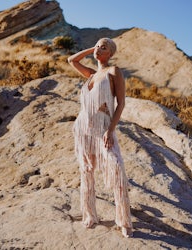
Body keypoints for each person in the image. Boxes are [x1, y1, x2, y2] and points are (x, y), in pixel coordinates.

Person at [68, 38, 133, 238]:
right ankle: (89, 214)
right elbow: (72, 60)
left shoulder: (114, 71)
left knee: (117, 168)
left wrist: (110, 130)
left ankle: (124, 221)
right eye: (97, 46)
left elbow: (121, 103)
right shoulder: (92, 74)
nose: (98, 49)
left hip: (103, 127)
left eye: (103, 47)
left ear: (111, 53)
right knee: (86, 170)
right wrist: (93, 49)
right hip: (82, 128)